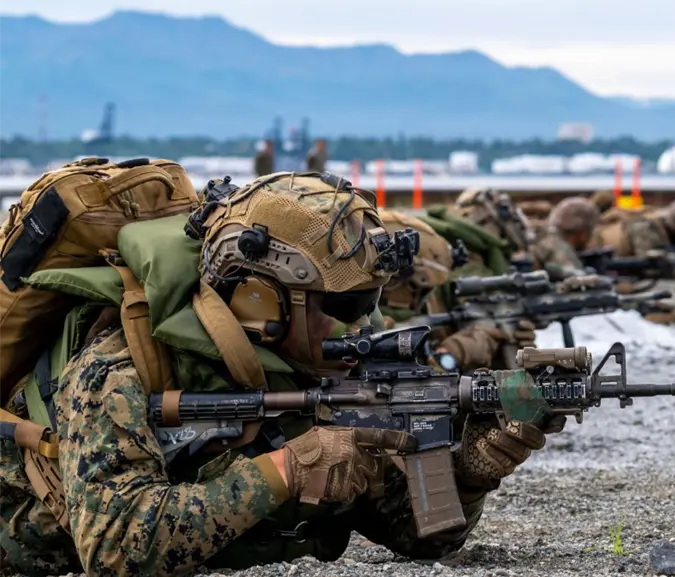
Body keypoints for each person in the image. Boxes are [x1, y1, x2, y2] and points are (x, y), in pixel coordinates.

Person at [0, 174, 559, 577]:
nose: (362, 322)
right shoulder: (118, 369)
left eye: (368, 301)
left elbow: (419, 536)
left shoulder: (337, 364)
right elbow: (116, 550)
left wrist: (473, 469)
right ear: (257, 298)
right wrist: (288, 469)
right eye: (339, 305)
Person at [376, 209, 535, 371]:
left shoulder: (433, 300)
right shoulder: (360, 321)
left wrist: (513, 347)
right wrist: (458, 351)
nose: (423, 296)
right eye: (418, 288)